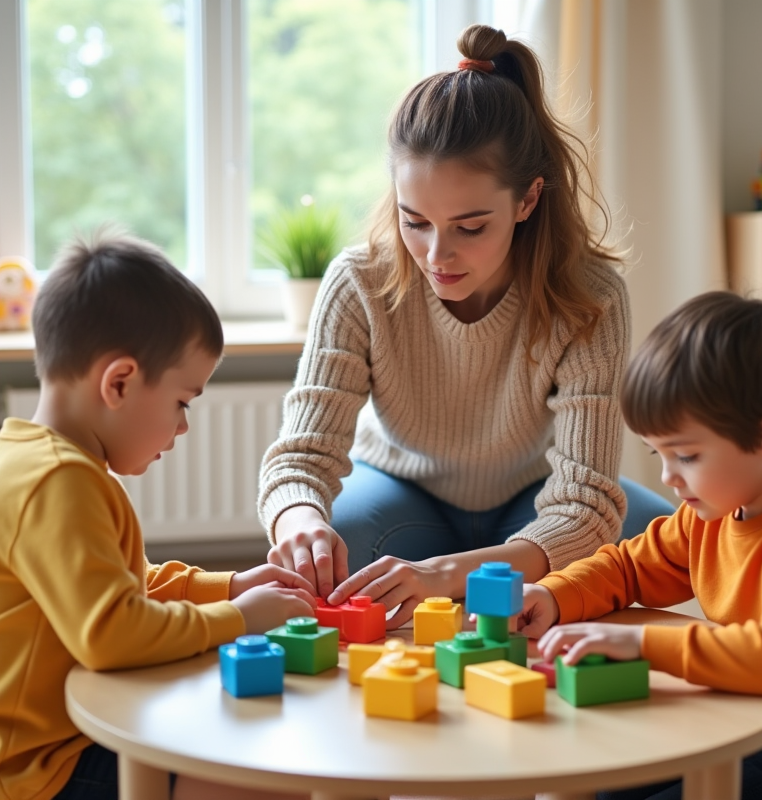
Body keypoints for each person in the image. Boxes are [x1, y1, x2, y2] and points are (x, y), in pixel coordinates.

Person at [259, 23, 673, 626]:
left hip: (531, 501)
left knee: (650, 545)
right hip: (400, 492)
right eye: (414, 220)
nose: (436, 255)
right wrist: (300, 523)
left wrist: (441, 574)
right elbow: (300, 458)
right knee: (335, 550)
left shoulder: (590, 295)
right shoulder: (357, 282)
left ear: (528, 200)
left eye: (470, 226)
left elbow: (583, 504)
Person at [0, 231, 316, 800]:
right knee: (262, 783)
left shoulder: (48, 460)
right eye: (182, 402)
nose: (183, 426)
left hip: (36, 743)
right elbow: (112, 633)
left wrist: (230, 586)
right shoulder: (56, 481)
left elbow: (128, 581)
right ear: (119, 382)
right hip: (27, 770)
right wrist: (238, 617)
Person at [520, 291, 762, 800]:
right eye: (658, 454)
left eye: (686, 456)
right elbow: (628, 568)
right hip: (742, 715)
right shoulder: (711, 512)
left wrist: (640, 645)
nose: (668, 478)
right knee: (602, 785)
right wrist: (553, 595)